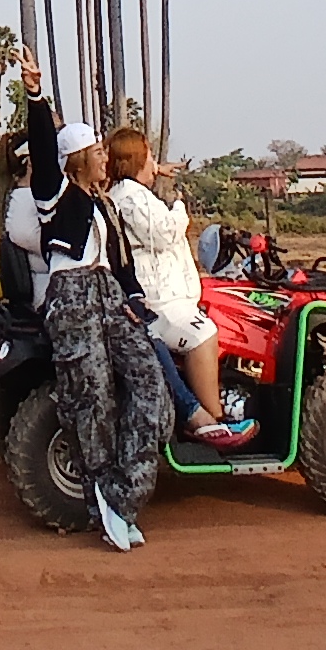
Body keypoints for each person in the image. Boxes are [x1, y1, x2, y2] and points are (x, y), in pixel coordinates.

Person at [7, 49, 168, 551]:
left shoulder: (106, 204)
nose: (106, 157)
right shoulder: (56, 195)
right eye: (97, 150)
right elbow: (40, 140)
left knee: (149, 386)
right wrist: (35, 92)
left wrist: (135, 299)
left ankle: (121, 496)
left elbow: (122, 264)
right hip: (73, 296)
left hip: (109, 295)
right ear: (79, 159)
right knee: (91, 397)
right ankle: (106, 498)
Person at [104, 128, 256, 448]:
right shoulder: (131, 197)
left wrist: (158, 171)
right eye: (150, 157)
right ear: (137, 160)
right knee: (203, 334)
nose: (155, 163)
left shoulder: (129, 192)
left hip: (165, 293)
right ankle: (211, 420)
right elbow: (163, 232)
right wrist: (179, 207)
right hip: (160, 299)